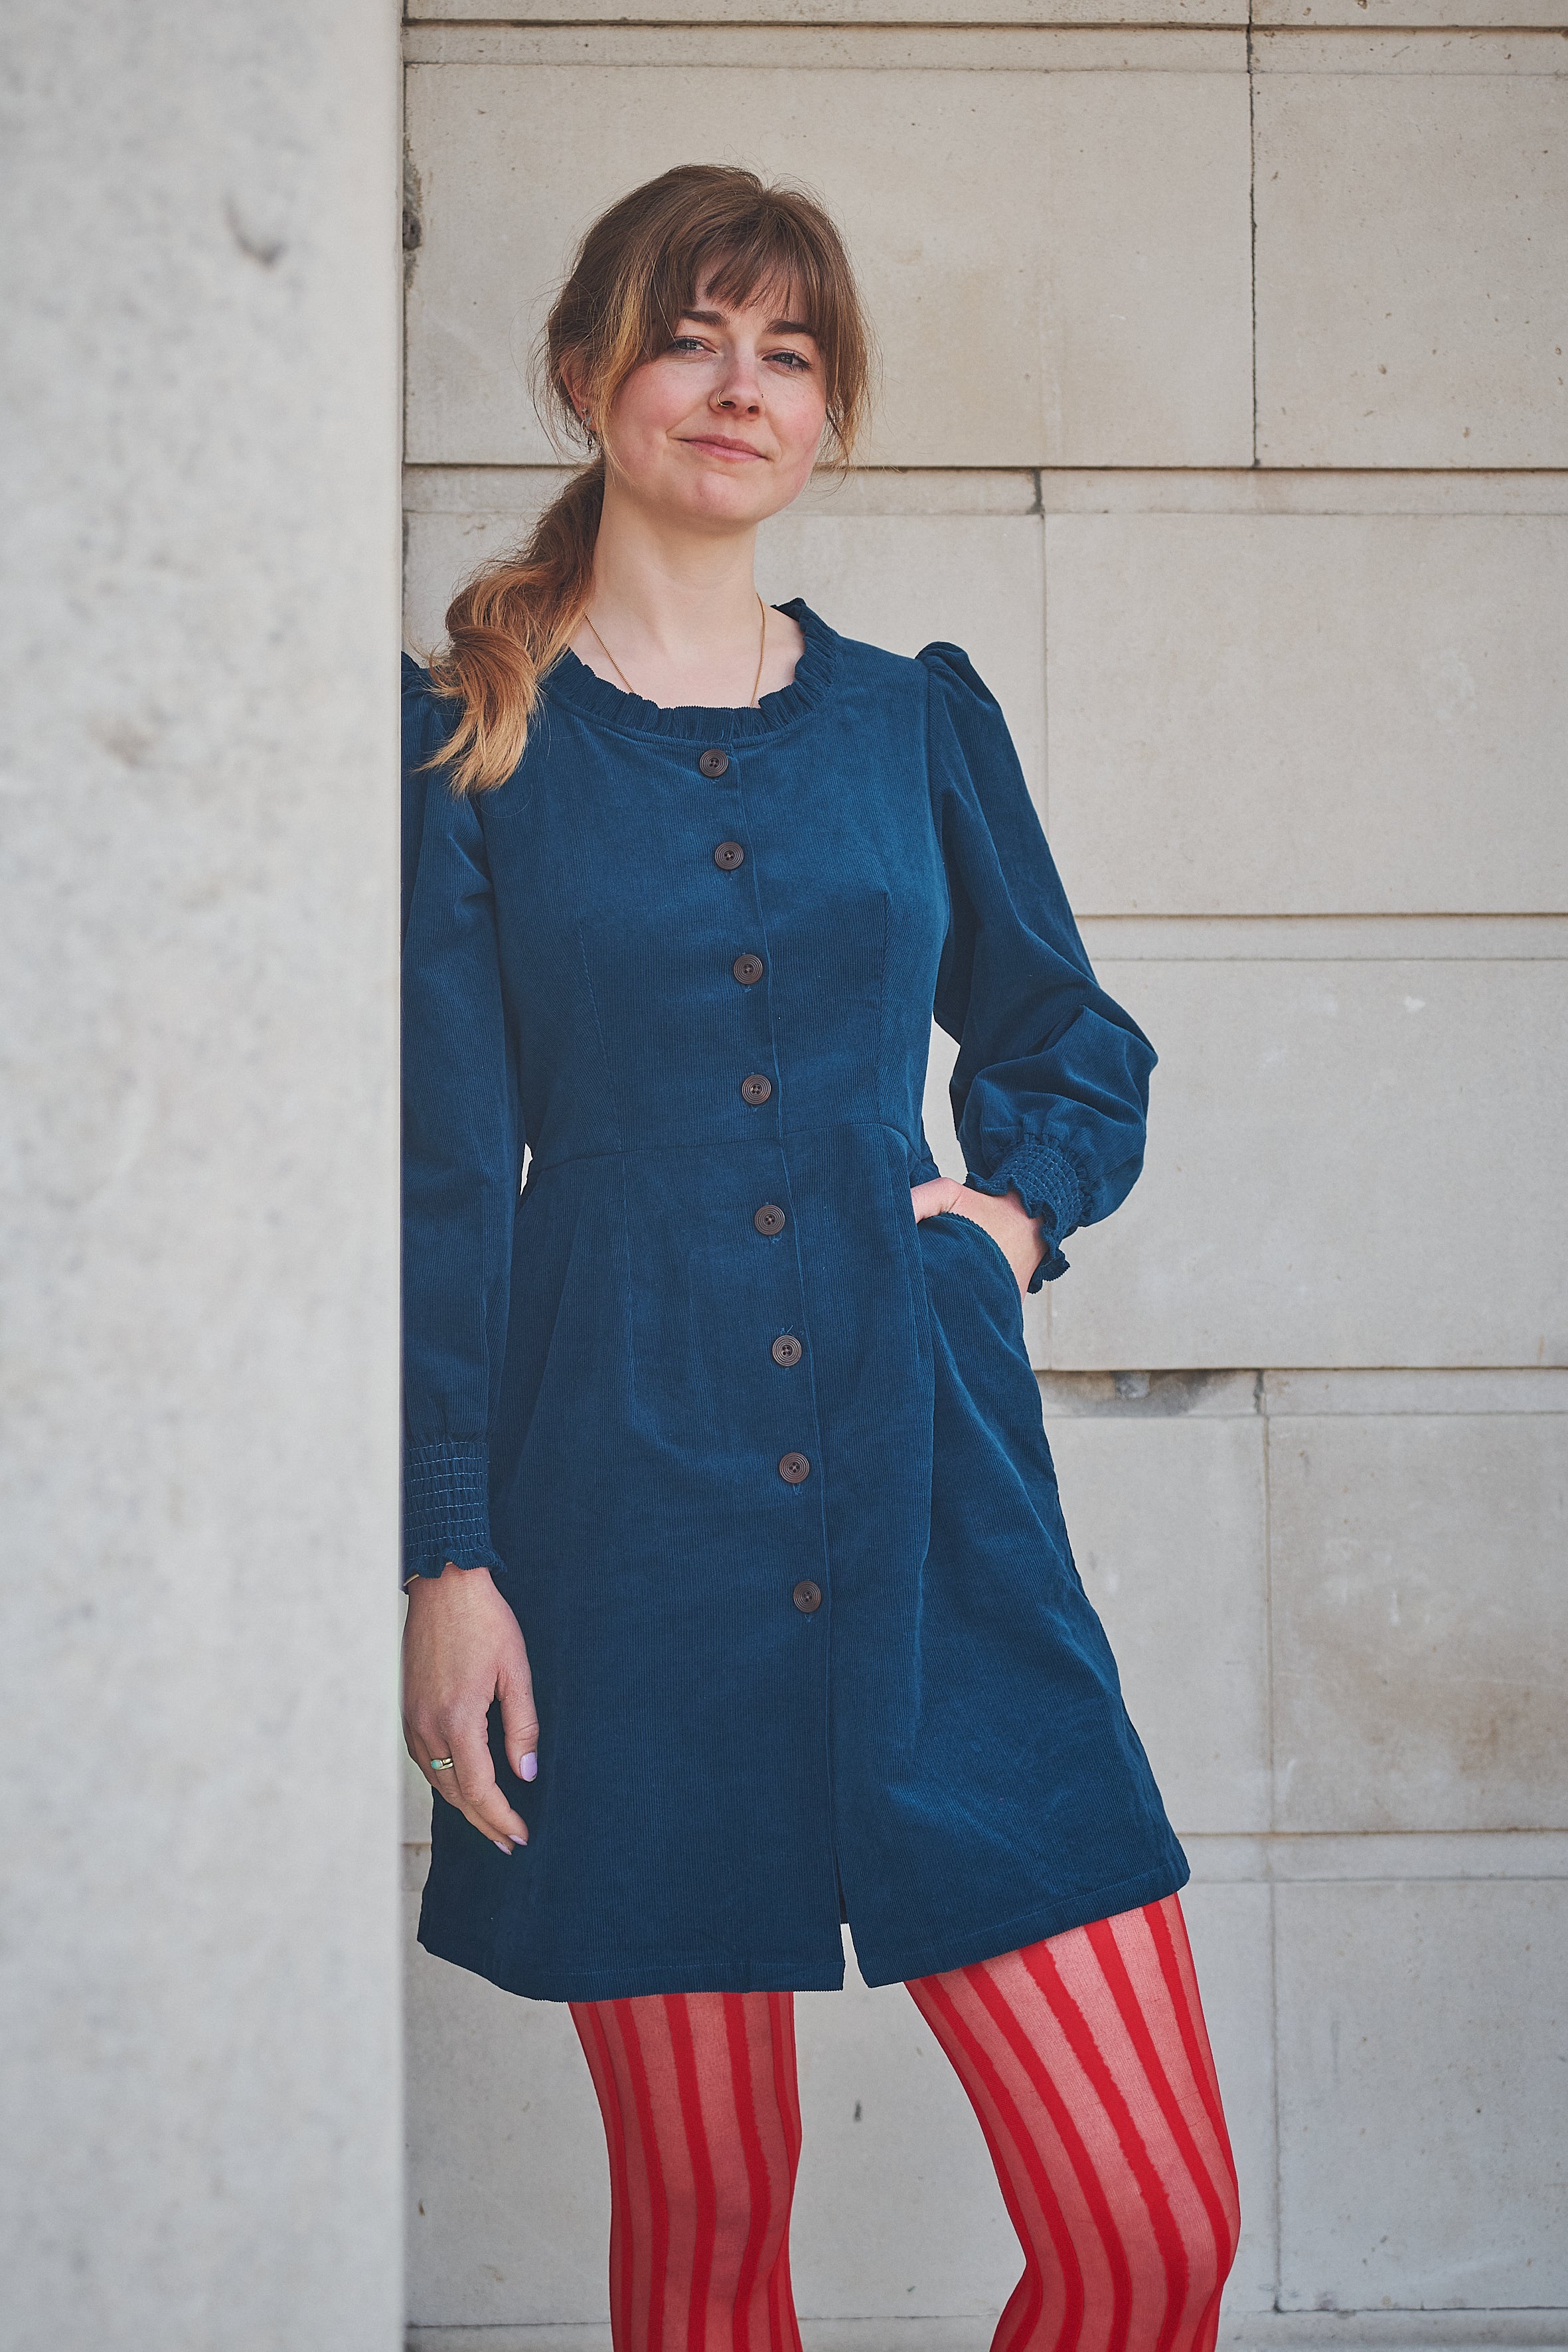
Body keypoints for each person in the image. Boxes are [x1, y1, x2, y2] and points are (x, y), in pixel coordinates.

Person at [400, 162, 1240, 2352]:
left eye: (787, 354)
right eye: (691, 333)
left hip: (931, 1487)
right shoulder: (461, 747)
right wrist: (447, 1559)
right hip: (622, 1516)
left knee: (1149, 2229)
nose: (735, 387)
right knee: (701, 2234)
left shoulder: (907, 722)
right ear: (590, 367)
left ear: (830, 416)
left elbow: (1066, 1039)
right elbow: (428, 1187)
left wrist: (1011, 1210)